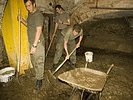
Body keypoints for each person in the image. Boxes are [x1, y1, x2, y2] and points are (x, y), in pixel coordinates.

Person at [19, 0, 45, 91]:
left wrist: (34, 46)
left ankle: (39, 80)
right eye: (26, 6)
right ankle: (37, 75)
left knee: (39, 61)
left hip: (37, 43)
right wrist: (22, 20)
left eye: (29, 5)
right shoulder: (30, 14)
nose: (28, 8)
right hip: (31, 42)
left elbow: (39, 30)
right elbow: (29, 26)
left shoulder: (38, 15)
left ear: (34, 4)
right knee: (33, 61)